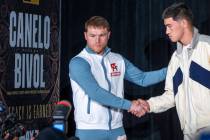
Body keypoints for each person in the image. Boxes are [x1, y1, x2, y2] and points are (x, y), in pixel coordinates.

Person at [69, 16, 167, 140]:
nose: (97, 40)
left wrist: (172, 70)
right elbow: (96, 93)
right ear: (85, 36)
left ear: (109, 35)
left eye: (102, 35)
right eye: (93, 36)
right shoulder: (79, 62)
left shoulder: (118, 59)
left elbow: (142, 79)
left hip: (117, 130)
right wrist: (130, 105)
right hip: (89, 130)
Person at [137, 2, 210, 140]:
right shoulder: (175, 59)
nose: (166, 32)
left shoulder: (207, 46)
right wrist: (149, 104)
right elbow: (171, 96)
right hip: (189, 133)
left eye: (169, 26)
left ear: (183, 23)